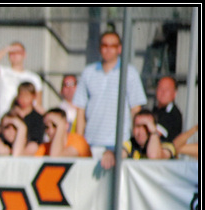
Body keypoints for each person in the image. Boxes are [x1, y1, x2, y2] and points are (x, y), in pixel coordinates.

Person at [74, 31, 147, 161]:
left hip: (119, 144)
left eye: (112, 46)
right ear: (99, 48)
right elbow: (80, 110)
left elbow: (135, 109)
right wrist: (80, 140)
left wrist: (133, 140)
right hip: (91, 141)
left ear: (119, 49)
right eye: (104, 45)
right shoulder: (88, 72)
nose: (108, 49)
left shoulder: (130, 72)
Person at [0, 41, 43, 119]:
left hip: (25, 119)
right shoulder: (2, 72)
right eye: (12, 53)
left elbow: (37, 103)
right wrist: (6, 49)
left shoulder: (34, 78)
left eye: (18, 52)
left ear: (24, 55)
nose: (15, 55)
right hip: (4, 117)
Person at [8, 81, 44, 155]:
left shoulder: (37, 117)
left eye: (27, 96)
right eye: (21, 96)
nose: (24, 99)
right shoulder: (12, 114)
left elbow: (35, 140)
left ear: (33, 97)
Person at [151, 75, 182, 143]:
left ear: (175, 93)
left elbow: (156, 133)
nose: (163, 92)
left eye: (167, 89)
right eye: (160, 88)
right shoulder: (155, 109)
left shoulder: (173, 114)